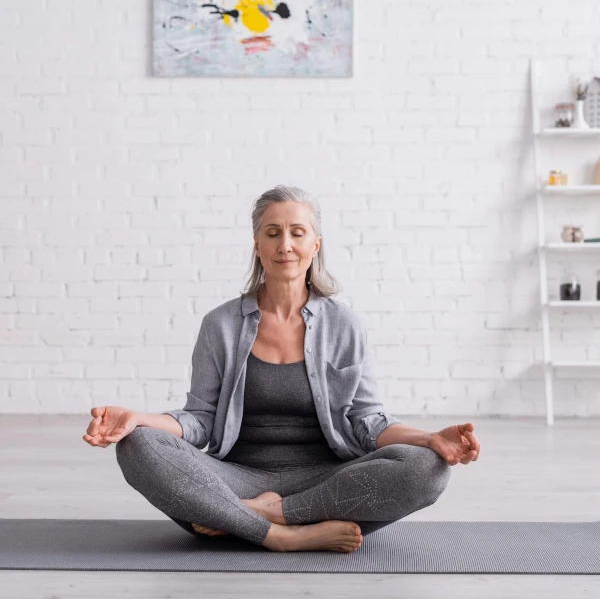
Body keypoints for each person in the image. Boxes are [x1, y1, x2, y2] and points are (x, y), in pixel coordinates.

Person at [83, 184, 481, 554]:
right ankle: (283, 536)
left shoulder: (344, 326)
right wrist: (137, 419)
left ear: (315, 244)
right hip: (235, 477)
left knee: (428, 468)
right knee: (137, 444)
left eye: (297, 232)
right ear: (257, 245)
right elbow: (199, 420)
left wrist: (428, 438)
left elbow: (368, 421)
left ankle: (259, 516)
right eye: (272, 233)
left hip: (326, 482)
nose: (285, 245)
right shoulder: (220, 325)